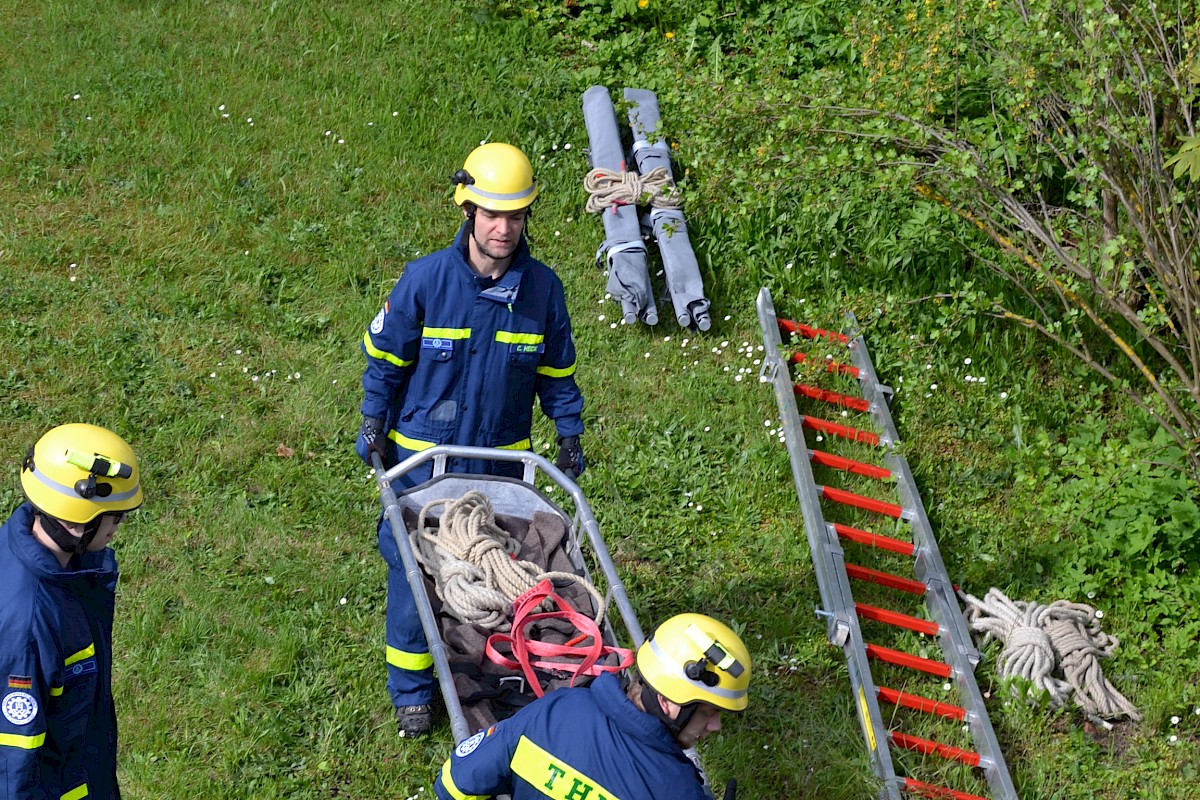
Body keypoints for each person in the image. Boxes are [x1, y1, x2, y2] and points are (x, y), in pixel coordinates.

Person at [356, 142, 586, 738]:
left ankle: (483, 677)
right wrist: (373, 422)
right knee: (413, 574)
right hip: (422, 461)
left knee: (489, 575)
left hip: (496, 467)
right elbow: (384, 361)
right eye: (491, 214)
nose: (502, 228)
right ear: (468, 213)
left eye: (514, 216)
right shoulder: (426, 282)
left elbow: (556, 373)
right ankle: (410, 690)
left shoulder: (543, 292)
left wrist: (569, 433)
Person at [433, 613, 751, 800]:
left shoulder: (557, 710)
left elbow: (453, 782)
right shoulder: (677, 789)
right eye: (709, 712)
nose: (715, 727)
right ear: (668, 701)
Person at [0, 423, 143, 799]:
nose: (120, 522)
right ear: (78, 516)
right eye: (115, 513)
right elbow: (14, 767)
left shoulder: (60, 571)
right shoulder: (30, 624)